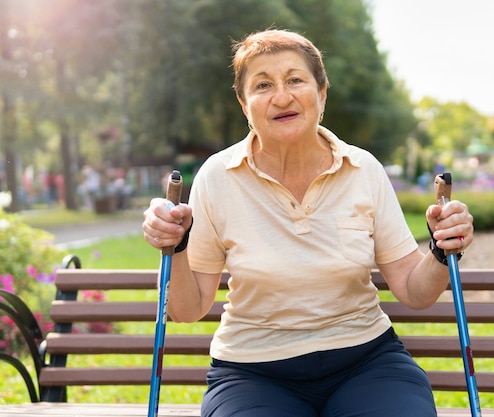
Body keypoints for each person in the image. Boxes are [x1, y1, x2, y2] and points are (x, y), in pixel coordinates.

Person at [142, 29, 474, 417]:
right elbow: (186, 309)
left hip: (366, 362)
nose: (281, 97)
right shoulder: (216, 177)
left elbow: (415, 293)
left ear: (322, 93)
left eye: (295, 80)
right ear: (244, 104)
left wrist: (440, 247)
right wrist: (176, 245)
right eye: (263, 85)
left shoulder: (363, 169)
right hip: (252, 372)